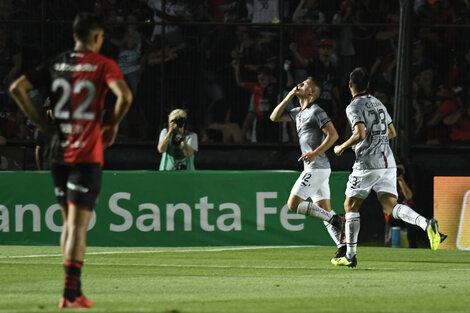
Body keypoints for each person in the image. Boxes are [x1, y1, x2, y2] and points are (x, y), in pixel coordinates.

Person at [9, 13, 132, 307]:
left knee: (68, 224)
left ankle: (73, 292)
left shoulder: (57, 62)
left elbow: (17, 89)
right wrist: (112, 124)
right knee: (78, 226)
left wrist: (40, 122)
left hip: (57, 151)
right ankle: (69, 294)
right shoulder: (104, 65)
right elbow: (124, 96)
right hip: (86, 153)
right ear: (97, 37)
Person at [332, 67, 446, 268]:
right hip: (387, 162)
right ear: (368, 85)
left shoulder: (353, 106)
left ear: (350, 85)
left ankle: (349, 255)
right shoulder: (378, 103)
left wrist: (342, 146)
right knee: (390, 206)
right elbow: (392, 132)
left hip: (367, 163)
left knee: (350, 206)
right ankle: (426, 223)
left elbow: (359, 133)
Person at [270, 76, 346, 259]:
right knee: (324, 210)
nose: (299, 84)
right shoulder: (298, 112)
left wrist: (315, 152)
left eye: (304, 84)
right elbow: (273, 117)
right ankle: (343, 247)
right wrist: (288, 98)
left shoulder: (316, 111)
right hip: (316, 168)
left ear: (311, 92)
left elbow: (333, 135)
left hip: (316, 167)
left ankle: (336, 219)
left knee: (293, 204)